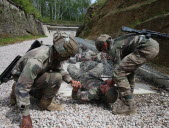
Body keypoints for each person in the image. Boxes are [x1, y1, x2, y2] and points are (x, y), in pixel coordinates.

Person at [10, 32, 80, 128]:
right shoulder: (37, 61)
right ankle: (44, 103)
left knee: (56, 74)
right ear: (61, 52)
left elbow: (58, 68)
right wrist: (26, 116)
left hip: (29, 76)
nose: (69, 58)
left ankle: (19, 91)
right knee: (56, 78)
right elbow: (23, 87)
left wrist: (70, 80)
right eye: (68, 55)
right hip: (22, 79)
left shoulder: (54, 53)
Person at [95, 34, 159, 115]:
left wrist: (111, 81)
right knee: (129, 71)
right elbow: (124, 70)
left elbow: (117, 71)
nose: (103, 52)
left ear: (104, 44)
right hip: (153, 46)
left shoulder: (113, 48)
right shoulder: (117, 41)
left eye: (102, 50)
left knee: (118, 73)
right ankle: (129, 98)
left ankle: (129, 107)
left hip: (146, 48)